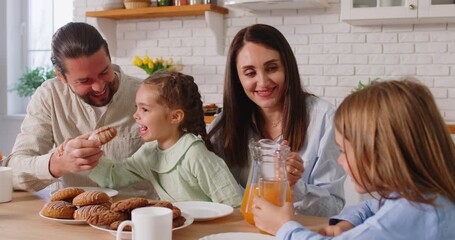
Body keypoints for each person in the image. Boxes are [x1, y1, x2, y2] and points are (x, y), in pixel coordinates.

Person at [252, 79, 455, 239]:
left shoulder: (411, 212)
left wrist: (284, 227)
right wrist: (348, 223)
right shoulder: (424, 197)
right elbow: (369, 207)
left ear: (382, 154)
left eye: (344, 151)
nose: (340, 161)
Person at [207, 24, 346, 216]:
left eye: (272, 68)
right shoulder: (224, 124)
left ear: (287, 68)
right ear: (237, 78)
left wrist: (295, 187)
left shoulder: (323, 118)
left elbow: (334, 205)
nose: (263, 82)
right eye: (250, 73)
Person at [7, 22, 156, 198]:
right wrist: (57, 164)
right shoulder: (50, 96)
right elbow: (13, 171)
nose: (99, 86)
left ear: (109, 57)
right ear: (61, 76)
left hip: (136, 215)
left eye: (104, 72)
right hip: (73, 215)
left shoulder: (146, 95)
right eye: (84, 81)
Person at [88, 71, 242, 207]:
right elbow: (113, 177)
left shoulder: (195, 154)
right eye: (136, 107)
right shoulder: (149, 153)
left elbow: (233, 203)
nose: (135, 115)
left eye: (145, 109)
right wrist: (87, 155)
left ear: (175, 116)